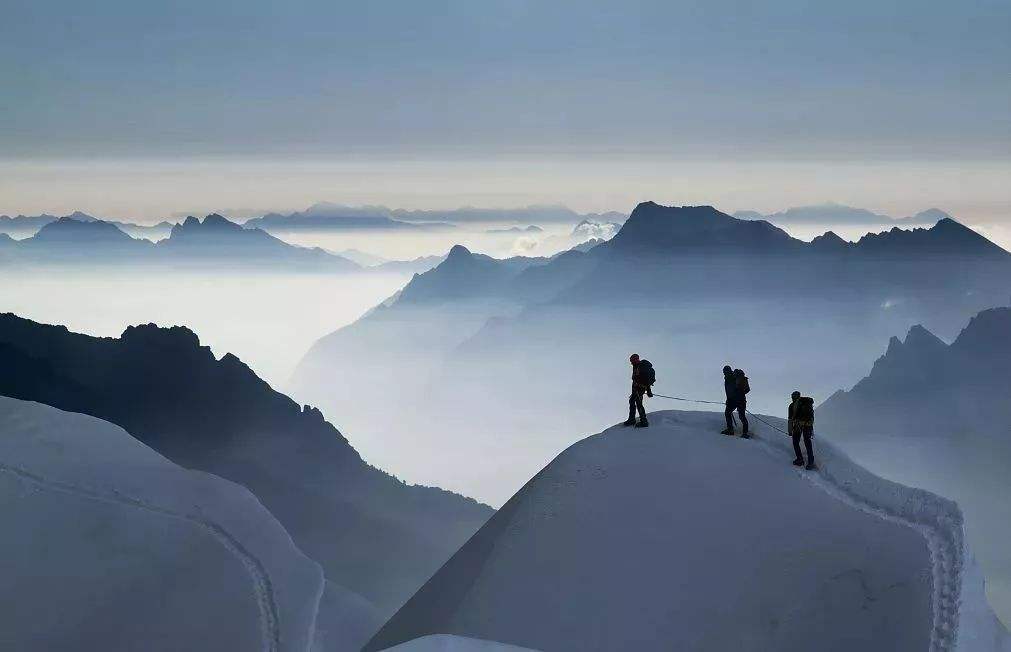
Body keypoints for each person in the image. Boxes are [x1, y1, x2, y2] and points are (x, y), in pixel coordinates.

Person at [623, 354, 654, 428]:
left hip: (639, 388)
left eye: (632, 361)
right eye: (631, 361)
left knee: (638, 403)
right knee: (632, 401)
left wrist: (649, 390)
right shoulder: (636, 366)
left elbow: (646, 378)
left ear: (636, 359)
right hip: (636, 389)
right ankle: (632, 419)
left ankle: (644, 421)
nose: (631, 362)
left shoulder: (641, 366)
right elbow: (636, 379)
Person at [788, 391, 816, 470]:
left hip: (798, 425)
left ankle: (799, 460)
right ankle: (811, 462)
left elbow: (790, 420)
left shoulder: (792, 406)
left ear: (793, 397)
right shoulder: (807, 403)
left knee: (795, 441)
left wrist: (790, 431)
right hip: (808, 425)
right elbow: (811, 416)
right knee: (807, 442)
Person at [721, 365, 750, 438]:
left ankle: (743, 432)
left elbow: (738, 389)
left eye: (725, 372)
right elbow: (729, 391)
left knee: (740, 416)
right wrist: (728, 399)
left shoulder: (734, 377)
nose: (724, 373)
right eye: (724, 372)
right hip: (735, 400)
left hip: (739, 400)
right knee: (730, 413)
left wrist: (731, 398)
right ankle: (733, 430)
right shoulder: (727, 379)